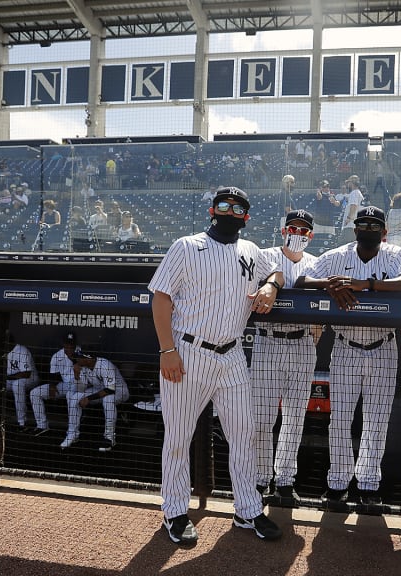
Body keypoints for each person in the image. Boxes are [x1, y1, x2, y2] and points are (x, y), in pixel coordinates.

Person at [148, 186, 284, 545]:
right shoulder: (187, 246)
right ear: (213, 209)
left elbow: (278, 273)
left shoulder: (251, 250)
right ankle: (175, 511)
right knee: (178, 436)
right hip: (188, 352)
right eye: (224, 204)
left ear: (246, 216)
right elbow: (161, 298)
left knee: (245, 433)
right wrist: (167, 350)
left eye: (237, 207)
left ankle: (247, 509)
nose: (230, 210)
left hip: (233, 353)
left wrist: (270, 285)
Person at [295, 206, 401, 507]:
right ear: (355, 229)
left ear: (384, 231)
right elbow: (301, 281)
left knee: (376, 421)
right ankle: (338, 483)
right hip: (345, 346)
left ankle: (368, 485)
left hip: (383, 346)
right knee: (339, 420)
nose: (368, 229)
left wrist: (367, 285)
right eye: (363, 224)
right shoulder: (337, 256)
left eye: (374, 225)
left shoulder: (392, 255)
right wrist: (329, 285)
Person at [251, 209, 321, 500]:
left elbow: (322, 304)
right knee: (262, 419)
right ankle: (260, 478)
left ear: (311, 236)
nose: (298, 234)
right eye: (293, 228)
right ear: (283, 231)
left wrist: (318, 327)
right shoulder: (265, 256)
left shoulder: (317, 264)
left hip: (302, 343)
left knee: (295, 419)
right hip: (269, 341)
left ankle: (285, 481)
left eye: (304, 230)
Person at [62, 352, 129, 452]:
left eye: (80, 357)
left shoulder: (105, 365)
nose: (77, 360)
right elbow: (81, 389)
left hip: (119, 391)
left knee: (108, 399)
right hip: (98, 390)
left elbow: (110, 390)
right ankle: (72, 434)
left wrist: (88, 399)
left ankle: (109, 438)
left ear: (89, 358)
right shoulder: (83, 367)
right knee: (75, 397)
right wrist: (77, 375)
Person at [27, 332, 80, 436]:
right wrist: (52, 386)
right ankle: (42, 426)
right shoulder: (57, 356)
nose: (69, 347)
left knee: (71, 395)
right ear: (63, 344)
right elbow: (53, 375)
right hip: (65, 385)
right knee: (35, 393)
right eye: (67, 344)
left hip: (81, 385)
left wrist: (73, 359)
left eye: (71, 345)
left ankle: (72, 431)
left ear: (75, 344)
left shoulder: (82, 352)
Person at [337, 176, 365, 243]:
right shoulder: (358, 193)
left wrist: (349, 218)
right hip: (356, 225)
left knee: (342, 245)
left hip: (350, 225)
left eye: (348, 182)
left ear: (352, 183)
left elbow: (353, 206)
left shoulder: (354, 193)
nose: (347, 185)